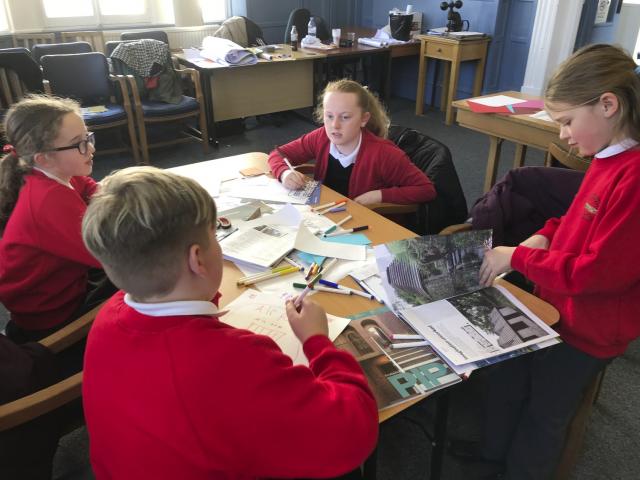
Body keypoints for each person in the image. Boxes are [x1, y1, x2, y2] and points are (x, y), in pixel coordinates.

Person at [81, 166, 379, 480]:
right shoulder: (233, 358)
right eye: (215, 236)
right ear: (197, 260)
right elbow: (353, 432)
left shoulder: (109, 316)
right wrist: (317, 340)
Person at [476, 44, 640, 479]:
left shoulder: (633, 176)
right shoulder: (607, 157)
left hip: (588, 328)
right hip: (557, 306)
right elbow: (578, 216)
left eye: (567, 122)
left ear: (608, 105)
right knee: (510, 378)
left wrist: (520, 256)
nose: (563, 136)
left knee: (545, 414)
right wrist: (547, 233)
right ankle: (493, 457)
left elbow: (596, 273)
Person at [0, 95, 114, 345]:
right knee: (149, 277)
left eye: (88, 138)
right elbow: (111, 256)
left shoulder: (55, 174)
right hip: (50, 315)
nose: (91, 149)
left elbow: (90, 188)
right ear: (43, 158)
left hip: (65, 286)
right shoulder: (48, 201)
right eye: (80, 144)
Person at [268, 79, 436, 205]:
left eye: (345, 117)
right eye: (329, 116)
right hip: (325, 214)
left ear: (364, 119)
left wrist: (378, 195)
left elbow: (426, 190)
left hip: (367, 225)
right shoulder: (321, 137)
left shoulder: (383, 153)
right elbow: (278, 154)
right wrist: (284, 173)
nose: (335, 125)